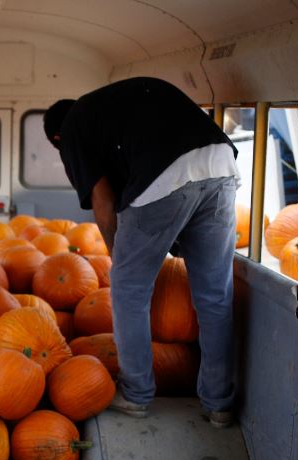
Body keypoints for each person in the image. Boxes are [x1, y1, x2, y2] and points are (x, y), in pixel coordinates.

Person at [44, 77, 239, 427]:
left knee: (129, 290)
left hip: (165, 173)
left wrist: (120, 259)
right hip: (221, 163)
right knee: (215, 296)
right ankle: (219, 403)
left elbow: (103, 203)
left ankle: (136, 394)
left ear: (57, 140)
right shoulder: (114, 107)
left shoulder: (72, 129)